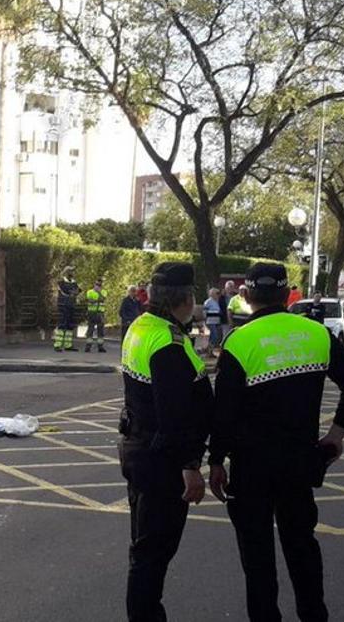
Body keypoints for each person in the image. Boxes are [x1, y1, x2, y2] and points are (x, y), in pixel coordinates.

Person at [209, 263, 344, 622]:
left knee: (258, 557)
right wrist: (337, 433)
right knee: (302, 548)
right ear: (288, 295)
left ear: (246, 297)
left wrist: (215, 460)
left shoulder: (240, 341)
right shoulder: (315, 333)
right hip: (300, 462)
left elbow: (225, 413)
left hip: (251, 468)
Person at [118, 262, 212, 621]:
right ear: (184, 299)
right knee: (153, 553)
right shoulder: (168, 343)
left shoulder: (141, 327)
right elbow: (174, 414)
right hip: (161, 462)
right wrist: (191, 466)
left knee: (145, 548)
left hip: (140, 450)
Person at [54, 266, 81, 352]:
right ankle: (58, 345)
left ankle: (68, 345)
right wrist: (73, 292)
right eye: (71, 271)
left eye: (73, 271)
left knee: (70, 326)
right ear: (67, 272)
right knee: (62, 325)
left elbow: (78, 290)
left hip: (71, 306)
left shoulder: (74, 282)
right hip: (63, 305)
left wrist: (74, 292)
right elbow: (66, 290)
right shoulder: (62, 282)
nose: (72, 273)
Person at [84, 279, 107, 353]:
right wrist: (98, 299)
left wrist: (99, 293)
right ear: (94, 284)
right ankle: (88, 346)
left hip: (100, 313)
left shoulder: (103, 291)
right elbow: (90, 300)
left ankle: (100, 347)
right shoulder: (89, 292)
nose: (98, 286)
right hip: (92, 313)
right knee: (90, 330)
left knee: (100, 331)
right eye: (97, 284)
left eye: (100, 285)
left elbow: (103, 299)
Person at [204, 288, 224, 356]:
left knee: (215, 336)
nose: (218, 294)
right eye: (216, 293)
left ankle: (209, 351)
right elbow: (204, 312)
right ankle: (209, 351)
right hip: (210, 321)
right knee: (214, 336)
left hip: (217, 321)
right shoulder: (208, 302)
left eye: (218, 293)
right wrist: (205, 321)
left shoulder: (217, 301)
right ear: (212, 294)